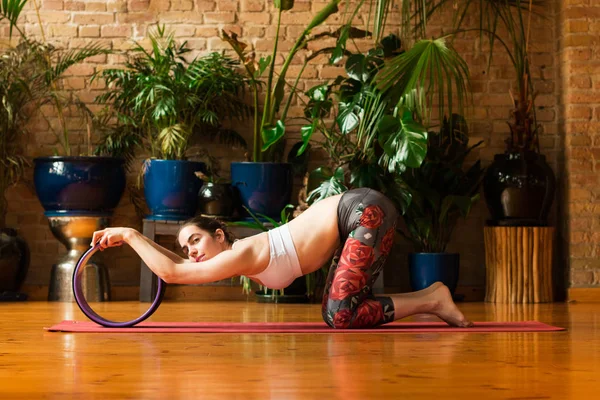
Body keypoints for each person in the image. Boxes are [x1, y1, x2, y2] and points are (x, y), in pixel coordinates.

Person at [91, 188, 473, 329]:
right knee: (339, 311)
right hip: (354, 221)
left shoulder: (242, 253)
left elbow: (172, 274)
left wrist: (128, 234)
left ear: (220, 236)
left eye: (196, 240)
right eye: (186, 247)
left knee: (339, 314)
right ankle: (432, 298)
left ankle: (433, 298)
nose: (191, 252)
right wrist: (139, 240)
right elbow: (176, 265)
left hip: (363, 213)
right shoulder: (236, 254)